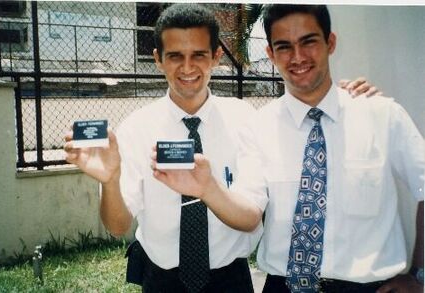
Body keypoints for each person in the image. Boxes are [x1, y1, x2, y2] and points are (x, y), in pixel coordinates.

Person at [65, 4, 383, 293]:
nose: (187, 67)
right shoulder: (136, 128)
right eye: (175, 55)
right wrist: (109, 180)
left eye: (198, 55)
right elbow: (118, 225)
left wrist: (342, 99)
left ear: (216, 56)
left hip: (230, 279)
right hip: (162, 279)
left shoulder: (245, 120)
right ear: (158, 59)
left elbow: (253, 214)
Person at [152, 4, 424, 293]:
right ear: (270, 54)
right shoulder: (259, 127)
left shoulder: (382, 116)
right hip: (283, 286)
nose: (297, 57)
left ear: (330, 43)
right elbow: (249, 212)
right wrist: (209, 189)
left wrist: (419, 273)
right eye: (283, 46)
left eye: (308, 41)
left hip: (369, 287)